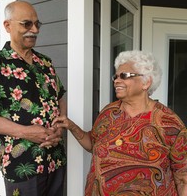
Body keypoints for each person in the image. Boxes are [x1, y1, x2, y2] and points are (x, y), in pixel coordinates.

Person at [52, 50, 187, 195]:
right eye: (115, 76)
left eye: (125, 76)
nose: (116, 80)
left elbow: (183, 178)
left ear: (146, 82)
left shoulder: (169, 123)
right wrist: (72, 126)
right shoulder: (109, 113)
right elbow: (92, 143)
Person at [0, 0, 67, 196]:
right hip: (23, 166)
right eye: (26, 24)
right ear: (8, 25)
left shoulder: (45, 62)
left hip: (55, 159)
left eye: (37, 24)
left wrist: (58, 127)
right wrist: (26, 132)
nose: (34, 30)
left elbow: (60, 97)